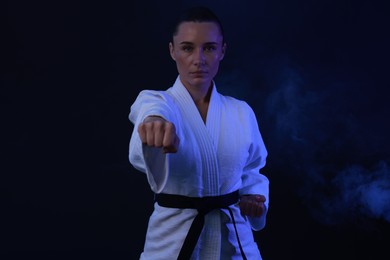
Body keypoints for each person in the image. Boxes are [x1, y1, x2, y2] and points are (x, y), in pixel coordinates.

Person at [128, 6, 269, 260]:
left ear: (222, 51)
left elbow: (252, 171)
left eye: (209, 48)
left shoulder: (241, 111)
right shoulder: (158, 103)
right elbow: (147, 109)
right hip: (173, 244)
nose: (199, 59)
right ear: (173, 51)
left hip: (235, 243)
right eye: (187, 47)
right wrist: (154, 123)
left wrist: (255, 198)